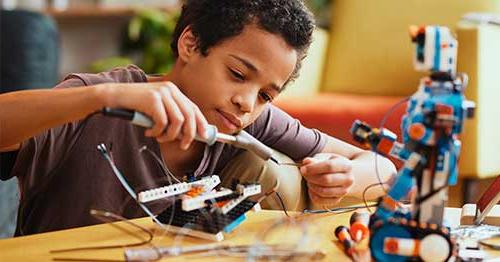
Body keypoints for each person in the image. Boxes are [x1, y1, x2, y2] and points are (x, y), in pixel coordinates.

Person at [0, 0, 396, 236]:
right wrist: (102, 96)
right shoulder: (102, 99)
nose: (247, 103)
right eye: (238, 75)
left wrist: (346, 175)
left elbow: (381, 167)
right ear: (190, 44)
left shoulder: (245, 121)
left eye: (266, 95)